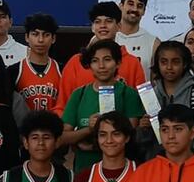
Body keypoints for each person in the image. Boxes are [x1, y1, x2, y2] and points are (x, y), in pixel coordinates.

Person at [60, 39, 144, 173]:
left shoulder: (128, 94)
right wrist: (88, 130)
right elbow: (63, 137)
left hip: (120, 171)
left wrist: (88, 144)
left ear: (118, 63)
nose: (101, 66)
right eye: (95, 61)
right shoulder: (79, 94)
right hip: (84, 169)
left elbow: (129, 133)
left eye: (107, 59)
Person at [57, 2, 146, 113]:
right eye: (97, 22)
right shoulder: (76, 62)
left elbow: (141, 104)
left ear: (119, 26)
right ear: (93, 27)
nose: (103, 26)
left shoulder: (133, 63)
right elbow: (62, 106)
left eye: (108, 21)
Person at [139, 40, 194, 160]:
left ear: (184, 64)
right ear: (157, 64)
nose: (169, 67)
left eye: (175, 62)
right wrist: (143, 129)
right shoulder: (149, 95)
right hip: (157, 165)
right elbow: (142, 144)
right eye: (164, 62)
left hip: (188, 165)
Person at [8, 12, 61, 112]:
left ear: (53, 38)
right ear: (27, 37)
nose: (40, 40)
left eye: (46, 35)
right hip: (24, 127)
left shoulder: (62, 70)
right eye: (35, 34)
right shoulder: (13, 71)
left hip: (54, 126)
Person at [117, 0, 159, 72]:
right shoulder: (105, 38)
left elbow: (154, 81)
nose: (135, 9)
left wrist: (141, 85)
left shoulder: (153, 43)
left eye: (139, 6)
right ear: (121, 6)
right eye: (130, 4)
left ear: (144, 11)